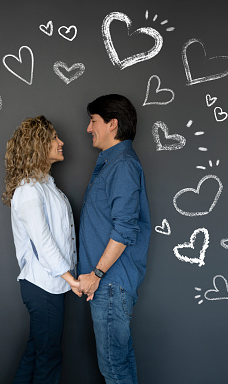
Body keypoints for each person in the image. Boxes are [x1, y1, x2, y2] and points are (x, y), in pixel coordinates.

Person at [77, 94, 151, 384]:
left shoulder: (122, 165)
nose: (87, 128)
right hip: (108, 285)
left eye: (93, 121)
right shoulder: (114, 162)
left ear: (112, 124)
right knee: (120, 364)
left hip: (110, 284)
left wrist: (96, 274)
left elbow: (125, 230)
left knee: (114, 369)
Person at [2, 115, 81, 384]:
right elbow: (43, 240)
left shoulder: (46, 185)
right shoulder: (28, 190)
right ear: (39, 145)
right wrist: (71, 279)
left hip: (50, 285)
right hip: (43, 286)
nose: (61, 142)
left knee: (36, 353)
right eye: (55, 138)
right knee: (48, 357)